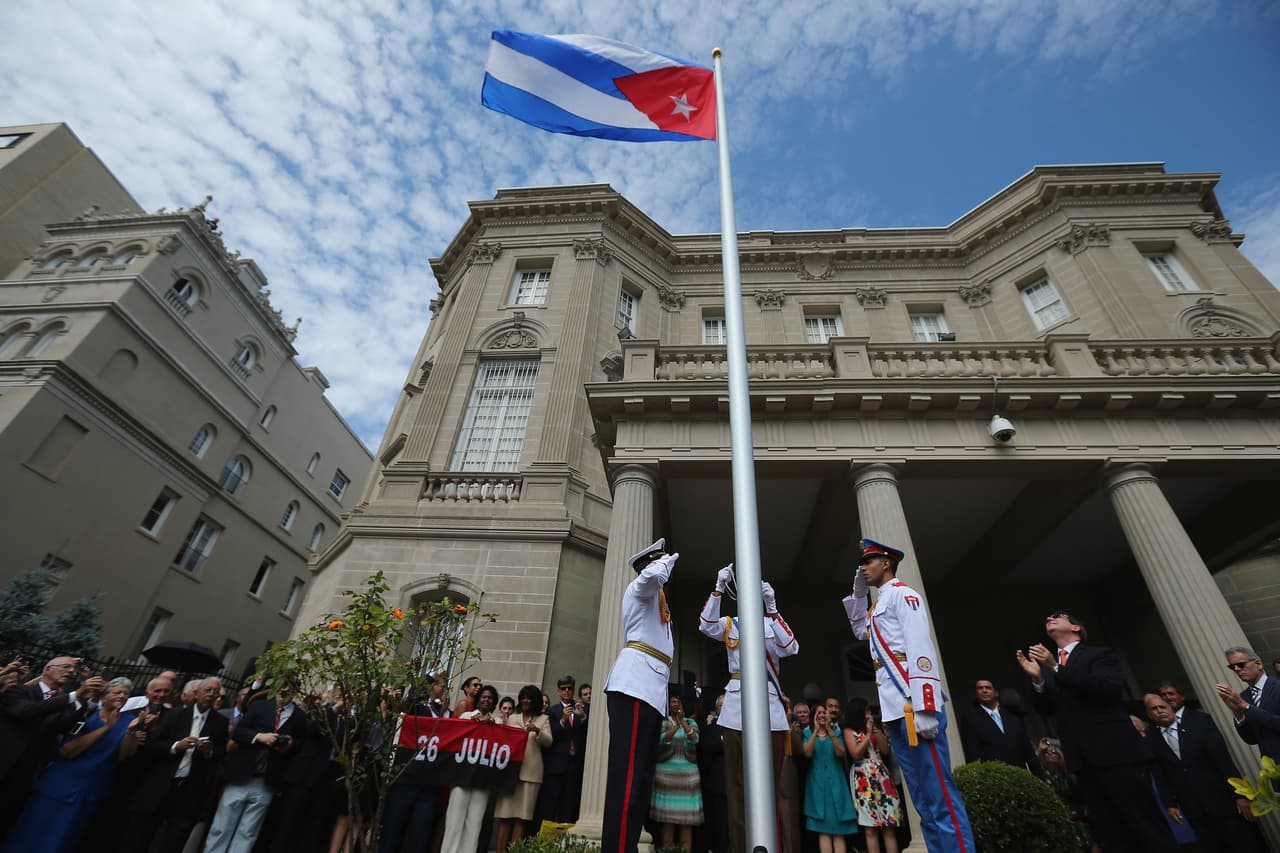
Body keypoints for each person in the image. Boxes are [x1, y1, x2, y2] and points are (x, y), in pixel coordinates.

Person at [844, 538, 974, 853]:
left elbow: (920, 649)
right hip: (894, 709)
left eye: (868, 561)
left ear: (886, 563)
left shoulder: (904, 595)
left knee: (939, 792)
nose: (863, 567)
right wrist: (859, 592)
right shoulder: (877, 605)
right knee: (921, 797)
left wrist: (926, 705)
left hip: (914, 704)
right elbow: (859, 629)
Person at [1016, 610, 1176, 851]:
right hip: (1083, 761)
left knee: (1144, 824)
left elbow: (1107, 689)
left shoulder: (1097, 654)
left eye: (1058, 615)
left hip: (1116, 753)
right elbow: (1046, 708)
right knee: (1112, 832)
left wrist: (1054, 668)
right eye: (1048, 617)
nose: (1050, 618)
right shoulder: (1052, 667)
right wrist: (1038, 679)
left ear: (1076, 628)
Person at [700, 566, 799, 853]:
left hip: (769, 703)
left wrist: (773, 608)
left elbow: (792, 647)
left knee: (773, 787)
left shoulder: (770, 624)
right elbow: (705, 625)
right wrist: (718, 588)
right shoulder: (732, 623)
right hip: (736, 705)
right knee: (737, 789)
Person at [2, 676, 145, 853]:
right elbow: (66, 751)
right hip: (59, 786)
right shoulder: (86, 713)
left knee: (63, 838)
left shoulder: (128, 721)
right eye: (118, 692)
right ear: (104, 696)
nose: (122, 696)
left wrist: (131, 732)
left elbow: (124, 756)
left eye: (126, 693)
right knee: (32, 830)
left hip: (91, 792)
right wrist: (105, 728)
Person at [601, 537, 678, 853]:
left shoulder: (655, 602)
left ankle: (626, 846)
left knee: (641, 782)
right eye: (659, 562)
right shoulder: (639, 589)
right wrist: (662, 564)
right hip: (634, 686)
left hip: (649, 689)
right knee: (628, 779)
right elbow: (648, 578)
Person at [1143, 693, 1265, 853]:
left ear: (1171, 707)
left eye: (1162, 707)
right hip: (1193, 808)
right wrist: (1170, 804)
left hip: (1223, 801)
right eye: (1154, 709)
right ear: (1149, 714)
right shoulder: (1151, 738)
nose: (1160, 711)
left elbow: (1223, 761)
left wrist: (1240, 795)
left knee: (1244, 844)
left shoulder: (1199, 724)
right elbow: (1160, 774)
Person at [0, 655, 105, 835]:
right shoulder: (19, 691)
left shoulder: (67, 701)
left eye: (73, 670)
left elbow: (62, 726)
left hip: (28, 772)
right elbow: (27, 712)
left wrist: (85, 700)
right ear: (48, 669)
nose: (71, 672)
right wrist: (74, 695)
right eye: (66, 667)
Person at [122, 677, 229, 853]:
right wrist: (175, 746)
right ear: (197, 693)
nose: (211, 694)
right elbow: (153, 745)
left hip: (189, 791)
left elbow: (222, 751)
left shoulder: (220, 722)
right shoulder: (175, 715)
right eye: (208, 690)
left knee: (174, 841)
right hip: (160, 786)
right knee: (139, 837)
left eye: (215, 692)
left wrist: (209, 751)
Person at [204, 684, 308, 853]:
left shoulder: (299, 716)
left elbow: (301, 744)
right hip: (242, 774)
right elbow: (239, 732)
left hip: (266, 780)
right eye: (283, 685)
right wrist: (259, 737)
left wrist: (290, 744)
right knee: (222, 827)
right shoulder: (260, 706)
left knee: (248, 831)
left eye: (291, 686)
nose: (286, 689)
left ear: (295, 690)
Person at [381, 672, 451, 853]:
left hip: (429, 781)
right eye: (441, 686)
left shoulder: (442, 711)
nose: (444, 690)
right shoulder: (416, 707)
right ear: (431, 687)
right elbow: (411, 701)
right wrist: (427, 673)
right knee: (393, 828)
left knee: (419, 834)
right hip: (407, 776)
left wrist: (444, 712)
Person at [441, 684, 500, 853]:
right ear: (478, 699)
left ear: (494, 702)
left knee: (474, 824)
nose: (486, 700)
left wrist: (492, 726)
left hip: (481, 781)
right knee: (454, 822)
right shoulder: (466, 716)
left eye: (490, 698)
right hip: (461, 777)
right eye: (484, 696)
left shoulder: (497, 723)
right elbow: (454, 735)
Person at [494, 684, 552, 853]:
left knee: (521, 819)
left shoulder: (543, 720)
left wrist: (537, 731)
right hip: (510, 773)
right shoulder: (512, 718)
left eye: (529, 697)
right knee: (505, 818)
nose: (525, 700)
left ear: (535, 701)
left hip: (531, 775)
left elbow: (548, 741)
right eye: (523, 697)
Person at [843, 697, 902, 853]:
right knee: (870, 827)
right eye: (866, 712)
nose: (869, 715)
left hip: (882, 776)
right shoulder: (849, 731)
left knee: (889, 825)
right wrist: (868, 734)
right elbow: (855, 753)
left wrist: (876, 731)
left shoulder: (874, 729)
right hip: (864, 777)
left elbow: (885, 750)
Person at [802, 702, 858, 853]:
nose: (821, 715)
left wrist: (828, 729)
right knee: (823, 831)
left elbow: (840, 752)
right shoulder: (807, 733)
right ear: (814, 716)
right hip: (817, 785)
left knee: (839, 831)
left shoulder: (837, 732)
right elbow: (807, 753)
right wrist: (815, 731)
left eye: (823, 713)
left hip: (836, 784)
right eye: (818, 713)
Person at [651, 692, 703, 851]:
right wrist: (676, 727)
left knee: (686, 821)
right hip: (667, 776)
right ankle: (667, 850)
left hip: (688, 776)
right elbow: (663, 740)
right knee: (668, 820)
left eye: (677, 701)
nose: (674, 704)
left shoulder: (691, 722)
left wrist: (683, 723)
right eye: (672, 701)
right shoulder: (664, 722)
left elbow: (695, 739)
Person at [960, 679, 1041, 775]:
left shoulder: (1013, 719)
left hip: (1019, 774)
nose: (984, 690)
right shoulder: (971, 719)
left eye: (988, 688)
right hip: (993, 776)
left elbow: (1028, 750)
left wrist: (1040, 777)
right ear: (976, 694)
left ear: (996, 693)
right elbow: (972, 751)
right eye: (980, 688)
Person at [538, 673, 588, 824]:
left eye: (569, 688)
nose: (566, 691)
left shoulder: (582, 710)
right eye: (563, 689)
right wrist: (563, 720)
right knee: (550, 806)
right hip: (556, 766)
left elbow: (588, 736)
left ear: (573, 691)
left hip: (574, 766)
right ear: (558, 691)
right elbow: (550, 735)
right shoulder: (551, 711)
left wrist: (583, 717)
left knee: (569, 806)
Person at [1217, 645, 1279, 761]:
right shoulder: (1244, 696)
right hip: (1272, 769)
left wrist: (1245, 706)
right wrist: (1237, 713)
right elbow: (1251, 739)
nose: (1237, 669)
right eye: (1232, 667)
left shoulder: (1277, 688)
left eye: (1240, 665)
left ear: (1258, 664)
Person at [1035, 738, 1098, 853]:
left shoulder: (1068, 775)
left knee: (1089, 841)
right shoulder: (1042, 776)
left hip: (1077, 816)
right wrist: (1040, 749)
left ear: (1059, 757)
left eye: (1053, 752)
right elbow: (1034, 763)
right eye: (1047, 752)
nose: (1050, 754)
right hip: (1057, 818)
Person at [700, 694, 729, 853]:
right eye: (722, 706)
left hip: (739, 784)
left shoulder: (741, 726)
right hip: (719, 784)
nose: (725, 709)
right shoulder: (711, 729)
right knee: (720, 824)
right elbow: (709, 746)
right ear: (717, 709)